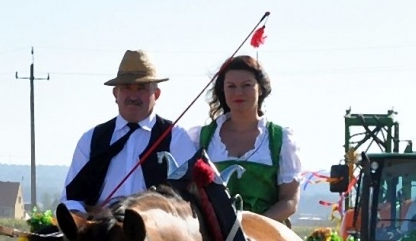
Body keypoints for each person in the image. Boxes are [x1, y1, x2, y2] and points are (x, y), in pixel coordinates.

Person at [62, 50, 198, 213]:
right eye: (127, 88)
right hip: (100, 226)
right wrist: (84, 218)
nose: (133, 96)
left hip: (157, 227)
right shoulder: (91, 139)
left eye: (141, 88)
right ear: (116, 93)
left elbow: (191, 200)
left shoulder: (176, 138)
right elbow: (70, 199)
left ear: (156, 94)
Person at [189, 55, 302, 223]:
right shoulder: (200, 138)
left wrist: (251, 227)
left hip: (266, 231)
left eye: (246, 85)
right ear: (223, 90)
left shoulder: (281, 139)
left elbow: (289, 200)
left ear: (260, 89)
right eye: (231, 86)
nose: (238, 92)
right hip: (213, 233)